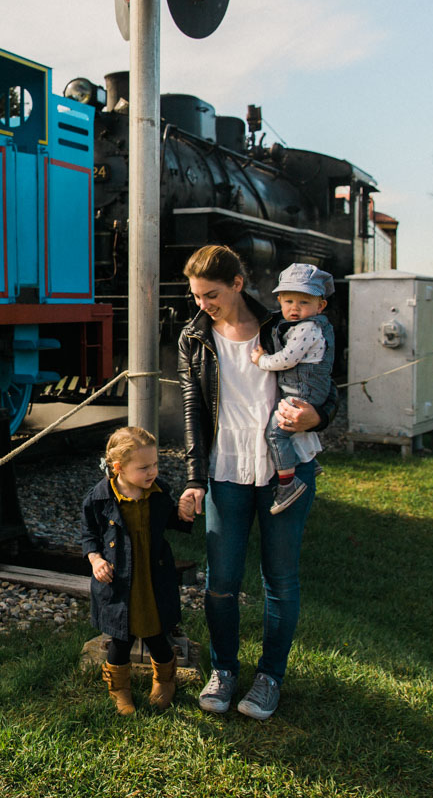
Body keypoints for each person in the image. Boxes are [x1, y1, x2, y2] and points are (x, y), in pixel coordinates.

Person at [177, 244, 336, 722]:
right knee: (221, 581)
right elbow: (192, 407)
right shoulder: (194, 336)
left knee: (280, 580)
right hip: (226, 467)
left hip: (285, 467)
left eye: (211, 294)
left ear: (238, 284)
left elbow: (327, 388)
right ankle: (224, 671)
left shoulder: (288, 325)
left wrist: (318, 418)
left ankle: (269, 678)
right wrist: (192, 478)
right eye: (196, 295)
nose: (203, 303)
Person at [81, 425, 194, 715]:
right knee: (120, 638)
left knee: (158, 634)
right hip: (120, 582)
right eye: (144, 467)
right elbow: (89, 536)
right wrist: (96, 560)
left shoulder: (158, 492)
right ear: (118, 467)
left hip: (152, 579)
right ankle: (119, 689)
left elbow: (174, 521)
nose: (152, 471)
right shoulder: (99, 498)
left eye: (155, 464)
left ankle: (165, 680)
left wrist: (184, 510)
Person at [250, 263, 336, 515]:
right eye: (288, 301)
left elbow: (286, 360)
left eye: (304, 302)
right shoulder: (311, 325)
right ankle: (307, 458)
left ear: (320, 306)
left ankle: (288, 484)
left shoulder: (308, 329)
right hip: (305, 388)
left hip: (304, 392)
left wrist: (260, 360)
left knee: (276, 433)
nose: (295, 308)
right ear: (279, 300)